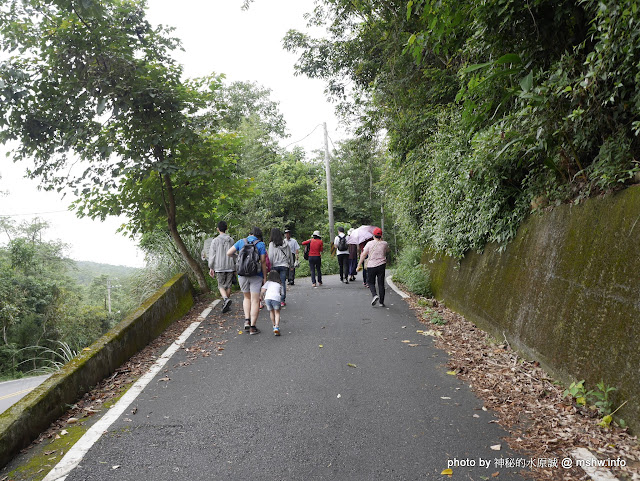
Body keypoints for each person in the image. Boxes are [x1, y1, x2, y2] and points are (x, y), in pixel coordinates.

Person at [227, 227, 268, 335]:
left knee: (246, 297)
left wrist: (239, 257)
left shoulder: (241, 242)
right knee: (255, 300)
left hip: (242, 275)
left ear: (250, 234)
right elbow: (263, 261)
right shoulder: (260, 244)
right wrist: (264, 277)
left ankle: (247, 320)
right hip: (256, 275)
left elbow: (229, 253)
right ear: (258, 235)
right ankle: (253, 328)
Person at [357, 227, 390, 307]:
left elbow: (363, 254)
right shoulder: (385, 243)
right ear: (381, 235)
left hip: (371, 265)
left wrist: (359, 265)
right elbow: (388, 251)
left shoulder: (369, 244)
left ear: (373, 235)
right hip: (381, 265)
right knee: (381, 283)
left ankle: (375, 295)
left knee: (370, 282)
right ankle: (381, 302)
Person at [208, 220, 236, 313]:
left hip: (219, 266)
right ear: (226, 229)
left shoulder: (215, 241)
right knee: (228, 286)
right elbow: (234, 253)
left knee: (221, 285)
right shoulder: (231, 240)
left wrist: (211, 267)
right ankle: (226, 304)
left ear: (217, 229)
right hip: (230, 265)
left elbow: (212, 255)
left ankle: (225, 299)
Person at [268, 228, 293, 307]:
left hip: (275, 266)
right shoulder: (285, 243)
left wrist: (270, 266)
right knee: (282, 283)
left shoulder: (272, 244)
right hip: (284, 265)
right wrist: (291, 264)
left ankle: (276, 299)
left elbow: (270, 256)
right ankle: (282, 300)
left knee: (275, 283)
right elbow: (290, 254)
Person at [261, 270, 284, 336]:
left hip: (267, 298)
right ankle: (277, 326)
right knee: (277, 312)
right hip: (276, 298)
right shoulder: (279, 284)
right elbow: (282, 293)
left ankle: (274, 325)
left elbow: (262, 291)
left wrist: (261, 297)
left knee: (271, 311)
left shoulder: (268, 283)